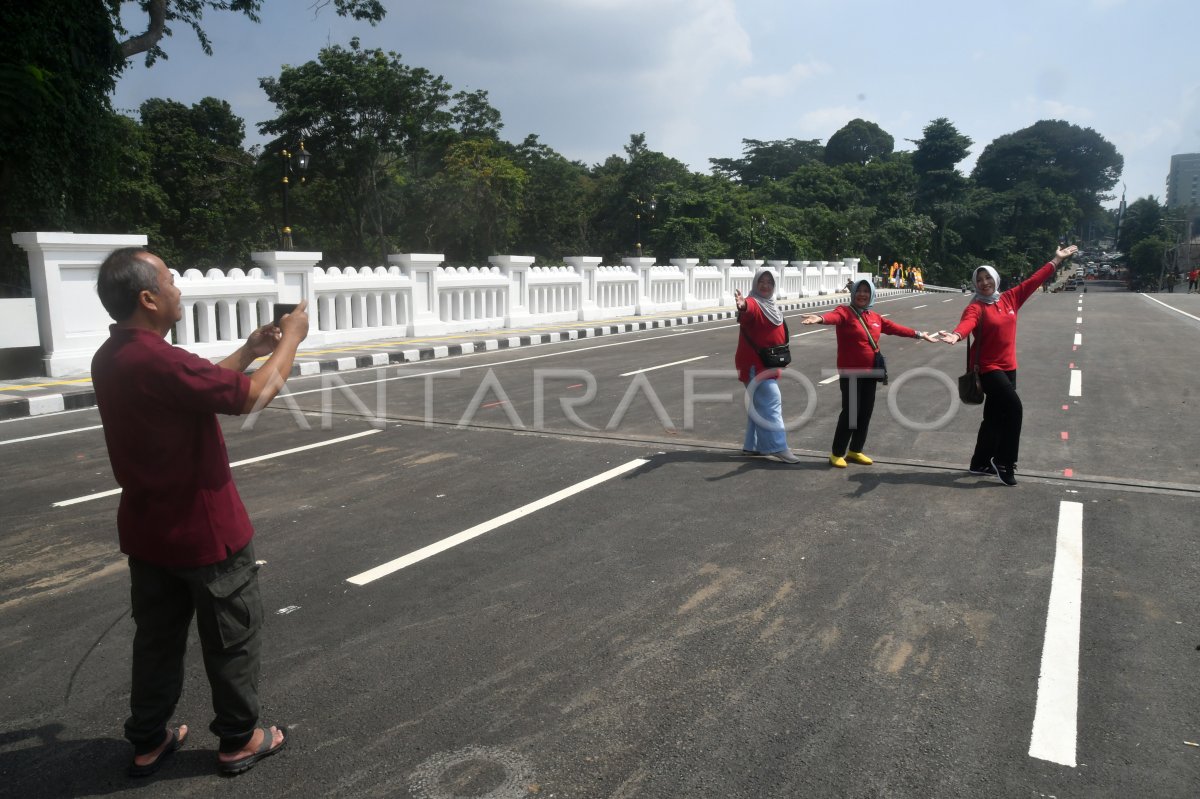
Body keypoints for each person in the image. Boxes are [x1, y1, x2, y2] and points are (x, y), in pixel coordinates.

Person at [91, 248, 309, 777]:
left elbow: (197, 386)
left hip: (149, 534)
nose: (177, 289)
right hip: (205, 534)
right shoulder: (159, 359)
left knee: (157, 641)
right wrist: (293, 341)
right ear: (148, 297)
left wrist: (250, 349)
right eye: (169, 279)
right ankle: (239, 738)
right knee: (231, 638)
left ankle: (148, 738)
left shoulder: (115, 356)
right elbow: (253, 396)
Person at [936, 244, 1078, 486]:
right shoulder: (975, 307)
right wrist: (956, 335)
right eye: (979, 280)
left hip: (1009, 366)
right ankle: (1004, 462)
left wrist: (1056, 260)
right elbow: (967, 323)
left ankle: (979, 462)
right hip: (989, 368)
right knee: (1014, 410)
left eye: (987, 278)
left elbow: (1034, 280)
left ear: (995, 279)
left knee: (994, 417)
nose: (983, 283)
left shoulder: (1010, 298)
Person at [801, 280, 937, 467]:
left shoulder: (874, 317)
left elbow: (895, 328)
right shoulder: (845, 312)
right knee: (851, 413)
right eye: (859, 291)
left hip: (871, 372)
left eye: (866, 291)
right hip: (851, 373)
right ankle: (837, 453)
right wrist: (820, 318)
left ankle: (855, 450)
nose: (862, 294)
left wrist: (919, 334)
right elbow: (833, 317)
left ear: (871, 294)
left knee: (865, 412)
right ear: (853, 293)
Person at [734, 266, 801, 463]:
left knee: (758, 405)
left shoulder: (770, 304)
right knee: (772, 403)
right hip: (756, 364)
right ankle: (778, 447)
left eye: (769, 283)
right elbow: (749, 309)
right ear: (755, 284)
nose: (765, 285)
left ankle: (752, 445)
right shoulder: (755, 302)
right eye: (761, 282)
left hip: (766, 363)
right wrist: (743, 304)